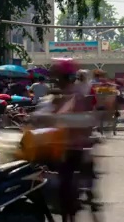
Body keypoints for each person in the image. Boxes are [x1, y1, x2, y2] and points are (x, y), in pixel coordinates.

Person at [48, 58, 93, 222]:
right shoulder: (59, 97)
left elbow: (80, 123)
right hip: (59, 148)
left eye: (58, 77)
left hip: (72, 150)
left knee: (65, 188)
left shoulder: (76, 97)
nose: (55, 81)